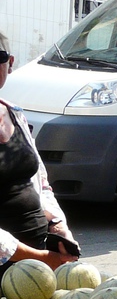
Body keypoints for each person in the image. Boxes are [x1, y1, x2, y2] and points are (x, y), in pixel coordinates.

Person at [0, 30, 79, 272]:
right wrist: (39, 258)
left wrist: (58, 226)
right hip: (14, 266)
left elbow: (41, 183)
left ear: (9, 63)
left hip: (38, 262)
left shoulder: (15, 114)